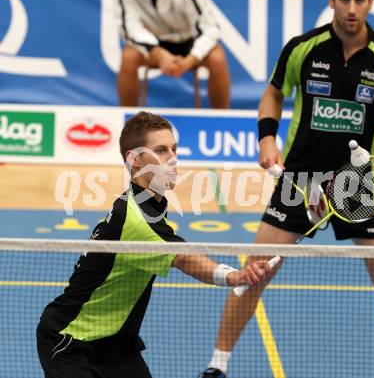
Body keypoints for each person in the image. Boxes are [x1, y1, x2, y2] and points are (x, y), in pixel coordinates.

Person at [199, 0, 374, 377]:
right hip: (299, 177)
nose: (352, 8)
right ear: (332, 1)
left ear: (371, 3)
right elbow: (273, 93)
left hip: (357, 183)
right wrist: (266, 138)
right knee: (255, 270)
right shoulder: (304, 49)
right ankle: (216, 364)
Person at [36, 111, 270, 378]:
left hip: (115, 343)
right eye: (160, 150)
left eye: (174, 148)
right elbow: (183, 258)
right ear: (134, 160)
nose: (173, 158)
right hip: (71, 342)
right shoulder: (135, 219)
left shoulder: (148, 202)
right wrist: (234, 276)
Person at [116, 0, 230, 108]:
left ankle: (222, 120)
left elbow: (211, 28)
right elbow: (130, 28)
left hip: (191, 41)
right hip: (154, 43)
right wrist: (160, 54)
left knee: (217, 58)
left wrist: (191, 59)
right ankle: (128, 120)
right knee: (129, 57)